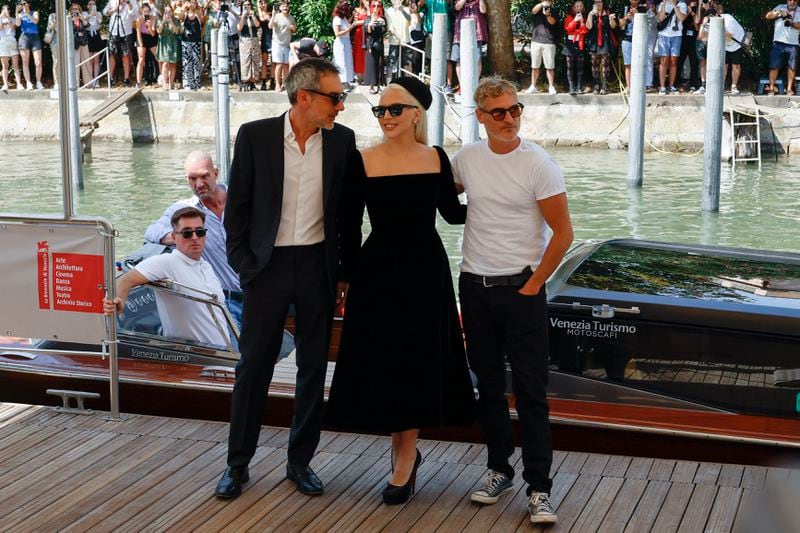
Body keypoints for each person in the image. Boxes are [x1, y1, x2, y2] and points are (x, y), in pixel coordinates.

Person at [325, 77, 476, 505]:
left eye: (394, 109)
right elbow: (348, 227)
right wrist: (345, 278)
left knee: (416, 360)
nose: (386, 117)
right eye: (380, 110)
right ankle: (402, 453)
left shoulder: (436, 158)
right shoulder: (362, 160)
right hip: (377, 272)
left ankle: (405, 458)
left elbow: (452, 214)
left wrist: (507, 192)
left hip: (425, 272)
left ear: (416, 113)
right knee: (387, 360)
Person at [215, 58, 357, 499]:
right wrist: (245, 265)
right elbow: (235, 210)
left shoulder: (342, 142)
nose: (341, 107)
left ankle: (301, 462)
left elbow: (350, 217)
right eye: (335, 98)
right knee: (253, 367)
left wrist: (344, 275)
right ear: (305, 98)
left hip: (318, 267)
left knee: (313, 368)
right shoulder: (255, 137)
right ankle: (237, 465)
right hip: (266, 268)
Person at [452, 76, 573, 525]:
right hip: (474, 286)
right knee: (487, 386)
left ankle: (539, 488)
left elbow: (564, 235)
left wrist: (533, 284)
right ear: (481, 116)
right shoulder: (465, 160)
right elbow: (444, 201)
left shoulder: (538, 163)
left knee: (530, 392)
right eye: (499, 112)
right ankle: (499, 469)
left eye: (515, 109)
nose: (509, 119)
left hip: (522, 289)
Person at [105, 206, 230, 349]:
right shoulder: (167, 262)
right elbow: (125, 280)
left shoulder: (206, 266)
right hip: (195, 359)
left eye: (200, 232)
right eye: (187, 233)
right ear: (173, 237)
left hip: (223, 356)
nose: (195, 237)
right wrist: (118, 303)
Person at [144, 151, 244, 328]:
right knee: (239, 353)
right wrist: (183, 237)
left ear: (216, 173)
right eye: (192, 178)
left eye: (204, 176)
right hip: (225, 301)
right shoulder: (186, 209)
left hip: (259, 294)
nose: (199, 184)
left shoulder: (242, 199)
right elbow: (152, 231)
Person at [765, 0, 800, 96]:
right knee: (774, 66)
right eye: (790, 0)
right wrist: (779, 13)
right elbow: (768, 16)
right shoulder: (780, 6)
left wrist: (791, 23)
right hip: (778, 42)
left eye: (794, 0)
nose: (792, 2)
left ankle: (789, 89)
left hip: (793, 43)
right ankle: (771, 88)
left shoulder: (799, 10)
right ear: (787, 1)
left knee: (792, 67)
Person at [420, 0, 454, 92]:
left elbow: (450, 4)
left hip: (445, 28)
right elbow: (420, 6)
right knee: (432, 58)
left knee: (447, 58)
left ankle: (449, 85)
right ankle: (434, 83)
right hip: (431, 31)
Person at [451, 0, 487, 89]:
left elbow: (483, 10)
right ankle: (462, 85)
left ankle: (474, 83)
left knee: (477, 58)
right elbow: (457, 7)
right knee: (458, 59)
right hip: (460, 33)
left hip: (476, 33)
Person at [104, 0, 140, 87]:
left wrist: (128, 4)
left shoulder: (132, 2)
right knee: (112, 54)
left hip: (126, 32)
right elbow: (105, 12)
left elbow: (135, 16)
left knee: (126, 55)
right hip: (114, 32)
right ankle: (110, 78)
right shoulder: (113, 1)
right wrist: (113, 10)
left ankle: (126, 78)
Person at [526, 1, 559, 94]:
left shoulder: (554, 11)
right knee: (535, 66)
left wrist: (548, 15)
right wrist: (542, 5)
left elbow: (552, 22)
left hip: (549, 42)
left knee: (550, 67)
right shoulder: (538, 8)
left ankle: (551, 87)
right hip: (536, 41)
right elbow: (533, 11)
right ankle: (533, 86)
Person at [585, 0, 617, 95]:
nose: (598, 3)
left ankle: (605, 85)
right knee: (594, 64)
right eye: (596, 1)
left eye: (600, 1)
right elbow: (588, 27)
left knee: (605, 64)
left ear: (603, 3)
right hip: (594, 42)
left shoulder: (607, 12)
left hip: (605, 41)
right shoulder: (591, 13)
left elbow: (613, 26)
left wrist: (611, 19)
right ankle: (596, 85)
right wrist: (590, 15)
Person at [656, 0, 688, 95]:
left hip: (676, 35)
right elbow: (660, 18)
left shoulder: (682, 4)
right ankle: (662, 87)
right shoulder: (662, 4)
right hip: (664, 35)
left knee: (674, 60)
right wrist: (665, 4)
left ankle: (671, 86)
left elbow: (682, 18)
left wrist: (674, 6)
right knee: (663, 60)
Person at [16, 0, 43, 90]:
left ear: (28, 4)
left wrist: (27, 13)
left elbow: (35, 21)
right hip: (24, 37)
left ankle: (38, 82)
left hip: (35, 36)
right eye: (21, 4)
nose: (23, 5)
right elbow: (18, 24)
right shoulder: (20, 14)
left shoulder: (34, 12)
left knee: (38, 62)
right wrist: (17, 12)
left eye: (24, 3)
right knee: (25, 62)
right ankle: (28, 83)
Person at [269, 1, 296, 91]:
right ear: (280, 8)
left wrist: (293, 28)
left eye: (286, 6)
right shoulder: (276, 16)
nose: (285, 8)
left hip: (287, 44)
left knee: (286, 65)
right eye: (283, 6)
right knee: (279, 64)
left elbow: (294, 29)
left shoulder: (291, 17)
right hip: (277, 43)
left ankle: (284, 84)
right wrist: (273, 15)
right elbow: (270, 26)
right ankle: (277, 84)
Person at [563, 1, 588, 95]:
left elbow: (585, 31)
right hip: (570, 43)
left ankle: (579, 87)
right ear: (573, 8)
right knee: (570, 66)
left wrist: (581, 21)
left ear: (583, 8)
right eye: (577, 6)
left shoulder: (584, 18)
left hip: (580, 43)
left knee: (580, 67)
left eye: (581, 6)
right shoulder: (569, 17)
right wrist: (575, 20)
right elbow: (567, 29)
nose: (579, 8)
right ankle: (571, 87)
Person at [676, 0, 699, 91]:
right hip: (683, 38)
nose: (692, 4)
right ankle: (676, 82)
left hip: (694, 39)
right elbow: (681, 21)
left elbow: (697, 26)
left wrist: (693, 14)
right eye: (690, 3)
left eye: (694, 3)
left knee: (694, 62)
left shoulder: (698, 12)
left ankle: (693, 83)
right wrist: (688, 11)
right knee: (679, 61)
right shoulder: (683, 8)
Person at [385, 0, 410, 83]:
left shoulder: (406, 9)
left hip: (406, 41)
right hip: (394, 41)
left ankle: (408, 85)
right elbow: (390, 28)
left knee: (406, 63)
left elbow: (409, 19)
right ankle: (388, 85)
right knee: (391, 63)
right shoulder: (388, 11)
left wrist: (402, 10)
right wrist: (400, 39)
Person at [237, 0, 259, 91]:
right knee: (245, 60)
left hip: (254, 39)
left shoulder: (254, 15)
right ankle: (245, 82)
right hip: (244, 40)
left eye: (248, 4)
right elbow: (239, 28)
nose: (247, 6)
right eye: (245, 5)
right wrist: (243, 16)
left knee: (254, 60)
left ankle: (253, 83)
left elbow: (257, 25)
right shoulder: (240, 16)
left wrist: (253, 16)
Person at [181, 0, 203, 90]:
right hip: (186, 41)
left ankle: (196, 82)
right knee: (187, 62)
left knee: (196, 62)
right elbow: (180, 17)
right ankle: (187, 83)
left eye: (194, 2)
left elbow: (202, 19)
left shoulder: (198, 12)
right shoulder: (185, 13)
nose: (192, 4)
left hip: (196, 41)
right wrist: (184, 8)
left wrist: (195, 10)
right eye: (191, 2)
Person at [364, 0, 385, 94]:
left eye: (378, 6)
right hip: (371, 44)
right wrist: (370, 25)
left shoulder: (382, 18)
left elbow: (384, 31)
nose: (376, 8)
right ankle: (372, 85)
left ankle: (380, 85)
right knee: (372, 64)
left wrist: (383, 23)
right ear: (372, 7)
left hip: (380, 43)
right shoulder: (368, 18)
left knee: (380, 64)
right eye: (374, 6)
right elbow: (366, 31)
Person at [331, 0, 354, 87]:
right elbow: (337, 33)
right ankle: (341, 83)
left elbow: (348, 24)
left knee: (348, 62)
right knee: (341, 62)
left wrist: (352, 18)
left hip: (346, 42)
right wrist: (349, 29)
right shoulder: (337, 19)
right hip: (340, 43)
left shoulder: (343, 18)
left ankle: (346, 81)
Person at [136, 2, 158, 88]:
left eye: (148, 11)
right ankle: (138, 81)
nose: (146, 13)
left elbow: (153, 34)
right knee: (141, 59)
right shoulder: (139, 19)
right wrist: (141, 44)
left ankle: (161, 78)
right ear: (141, 11)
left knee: (158, 57)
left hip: (151, 37)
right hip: (141, 37)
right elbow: (138, 33)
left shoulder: (153, 18)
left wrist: (149, 27)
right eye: (144, 11)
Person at [0, 5, 22, 91]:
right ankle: (5, 84)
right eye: (5, 9)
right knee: (5, 65)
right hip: (3, 42)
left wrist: (8, 18)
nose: (6, 11)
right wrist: (1, 17)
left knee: (15, 65)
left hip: (12, 41)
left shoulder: (12, 19)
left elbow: (16, 25)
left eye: (8, 9)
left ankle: (19, 84)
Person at [156, 4, 179, 90]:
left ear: (172, 12)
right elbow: (158, 31)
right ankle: (164, 83)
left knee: (173, 64)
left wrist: (171, 22)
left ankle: (171, 83)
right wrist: (163, 21)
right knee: (165, 64)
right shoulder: (161, 20)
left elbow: (177, 31)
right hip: (164, 43)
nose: (168, 13)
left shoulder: (176, 20)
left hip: (173, 43)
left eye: (170, 12)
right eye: (166, 12)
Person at [85, 0, 104, 87]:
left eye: (93, 4)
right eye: (90, 4)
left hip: (96, 35)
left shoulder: (98, 14)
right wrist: (90, 15)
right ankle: (89, 78)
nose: (92, 5)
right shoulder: (85, 14)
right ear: (87, 6)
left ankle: (96, 79)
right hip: (88, 35)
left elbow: (100, 22)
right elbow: (84, 22)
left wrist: (95, 14)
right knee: (89, 59)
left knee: (96, 59)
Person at [256, 0, 271, 90]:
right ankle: (264, 82)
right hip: (264, 39)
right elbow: (262, 19)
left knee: (274, 62)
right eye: (261, 3)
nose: (263, 5)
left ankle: (273, 81)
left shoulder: (271, 13)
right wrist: (258, 6)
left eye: (264, 3)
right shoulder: (258, 15)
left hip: (273, 38)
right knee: (264, 62)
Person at [352, 0, 368, 81]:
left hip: (367, 34)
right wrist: (366, 21)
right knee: (358, 55)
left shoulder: (370, 10)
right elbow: (355, 23)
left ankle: (366, 77)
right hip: (359, 34)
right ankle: (359, 77)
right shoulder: (356, 10)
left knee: (366, 55)